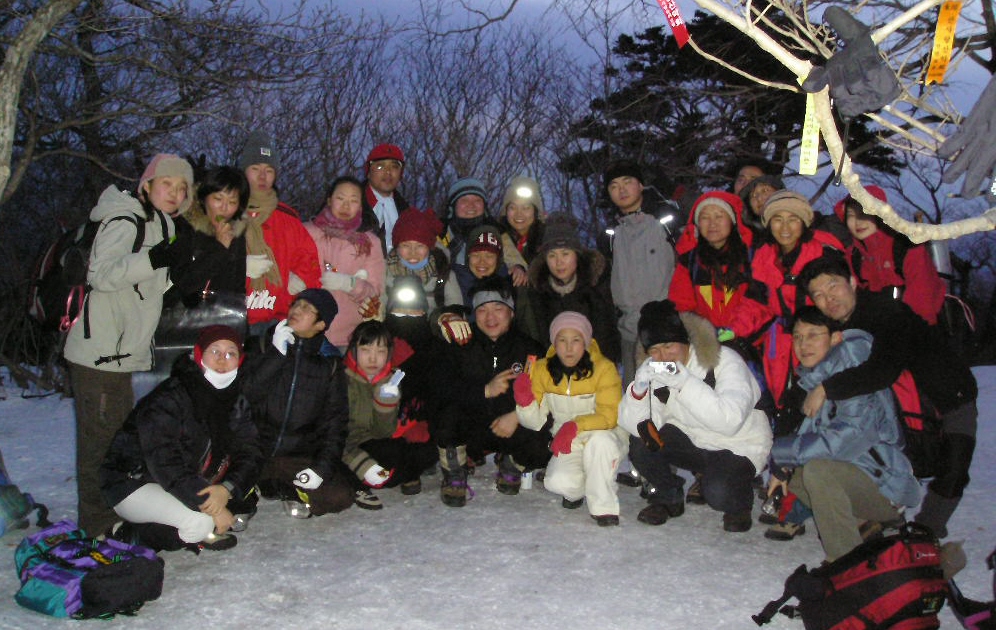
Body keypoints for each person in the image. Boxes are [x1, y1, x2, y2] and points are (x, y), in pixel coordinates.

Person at [799, 253, 978, 539]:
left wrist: (825, 388)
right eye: (818, 294)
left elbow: (882, 369)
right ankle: (877, 513)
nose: (828, 298)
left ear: (852, 283)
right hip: (899, 407)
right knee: (871, 449)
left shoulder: (885, 313)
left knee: (954, 467)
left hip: (949, 395)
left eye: (833, 286)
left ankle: (927, 531)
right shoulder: (833, 329)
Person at [64, 153, 193, 537]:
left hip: (119, 356)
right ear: (147, 185)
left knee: (114, 438)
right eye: (166, 183)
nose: (174, 193)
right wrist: (155, 259)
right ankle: (97, 524)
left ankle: (113, 513)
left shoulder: (163, 225)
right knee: (99, 445)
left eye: (182, 187)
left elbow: (145, 288)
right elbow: (101, 275)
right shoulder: (125, 219)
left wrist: (178, 284)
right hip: (98, 354)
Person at [770, 307, 920, 561]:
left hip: (886, 486)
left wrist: (779, 454)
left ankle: (846, 563)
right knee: (798, 477)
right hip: (860, 476)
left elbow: (847, 437)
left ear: (836, 338)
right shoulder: (815, 378)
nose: (803, 344)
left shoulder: (853, 371)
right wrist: (783, 465)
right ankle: (864, 523)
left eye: (813, 335)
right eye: (797, 336)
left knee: (818, 472)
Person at [100, 325, 262, 552]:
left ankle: (185, 521)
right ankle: (130, 534)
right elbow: (164, 462)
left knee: (244, 495)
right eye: (215, 351)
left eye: (231, 353)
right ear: (198, 354)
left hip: (187, 480)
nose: (222, 359)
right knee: (200, 523)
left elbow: (250, 450)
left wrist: (225, 489)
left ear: (240, 360)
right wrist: (211, 506)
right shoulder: (170, 397)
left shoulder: (235, 398)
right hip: (135, 482)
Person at [618, 300, 772, 532]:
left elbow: (729, 421)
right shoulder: (657, 370)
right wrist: (638, 392)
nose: (663, 356)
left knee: (717, 493)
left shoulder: (723, 360)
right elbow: (639, 425)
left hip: (738, 444)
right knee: (642, 441)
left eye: (669, 345)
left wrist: (685, 383)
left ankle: (739, 503)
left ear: (685, 341)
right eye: (654, 350)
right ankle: (668, 496)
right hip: (694, 440)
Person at [242, 288, 354, 519]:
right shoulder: (262, 344)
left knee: (340, 496)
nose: (297, 310)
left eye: (307, 308)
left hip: (295, 455)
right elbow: (245, 395)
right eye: (296, 304)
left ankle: (279, 484)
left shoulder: (329, 364)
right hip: (253, 450)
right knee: (217, 494)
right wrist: (275, 355)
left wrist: (321, 469)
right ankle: (255, 486)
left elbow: (335, 424)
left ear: (321, 324)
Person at [438, 277, 550, 506]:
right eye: (482, 310)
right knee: (445, 412)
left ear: (511, 312)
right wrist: (484, 390)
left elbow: (546, 394)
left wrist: (517, 416)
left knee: (542, 432)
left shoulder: (529, 348)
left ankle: (512, 462)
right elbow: (442, 389)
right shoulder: (461, 345)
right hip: (473, 426)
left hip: (511, 427)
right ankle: (455, 470)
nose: (490, 317)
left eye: (498, 308)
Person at [513, 311, 624, 526]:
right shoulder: (542, 369)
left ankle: (604, 507)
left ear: (586, 342)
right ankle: (582, 488)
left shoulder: (604, 368)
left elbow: (610, 416)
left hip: (604, 434)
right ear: (554, 343)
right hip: (567, 440)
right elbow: (534, 423)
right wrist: (524, 401)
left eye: (576, 340)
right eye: (562, 340)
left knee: (599, 445)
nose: (569, 348)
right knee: (555, 482)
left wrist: (576, 425)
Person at [750, 190, 843, 411]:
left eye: (793, 219)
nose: (785, 227)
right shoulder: (764, 256)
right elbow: (756, 303)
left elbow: (840, 303)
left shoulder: (823, 253)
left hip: (817, 339)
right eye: (777, 219)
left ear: (804, 223)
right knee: (784, 400)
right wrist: (733, 331)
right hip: (779, 341)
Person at [341, 320, 437, 509]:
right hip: (345, 448)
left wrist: (385, 403)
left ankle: (375, 477)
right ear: (353, 350)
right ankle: (357, 482)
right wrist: (362, 464)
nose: (373, 359)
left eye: (380, 351)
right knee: (384, 459)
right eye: (366, 350)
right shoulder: (341, 380)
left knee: (424, 451)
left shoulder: (391, 380)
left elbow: (383, 432)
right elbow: (333, 435)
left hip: (374, 443)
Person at [239, 130, 321, 336]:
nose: (262, 176)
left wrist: (299, 287)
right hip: (233, 318)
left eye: (269, 170)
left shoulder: (288, 220)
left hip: (276, 320)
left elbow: (309, 265)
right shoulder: (226, 211)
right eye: (255, 168)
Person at [604, 160, 676, 386]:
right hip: (629, 331)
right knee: (635, 393)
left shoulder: (667, 219)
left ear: (641, 185)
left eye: (627, 182)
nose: (621, 190)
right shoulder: (611, 233)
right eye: (614, 186)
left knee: (669, 392)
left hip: (666, 330)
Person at [834, 185, 945, 325]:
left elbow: (923, 302)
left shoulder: (906, 247)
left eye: (865, 213)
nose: (858, 221)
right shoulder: (853, 256)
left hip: (918, 328)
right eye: (851, 215)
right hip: (877, 329)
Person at [305, 175, 385, 353]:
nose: (346, 206)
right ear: (329, 200)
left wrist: (350, 284)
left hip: (349, 336)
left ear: (361, 206)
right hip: (307, 330)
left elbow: (375, 291)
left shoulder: (370, 242)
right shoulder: (306, 232)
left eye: (353, 201)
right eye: (340, 198)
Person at [526, 212, 620, 363]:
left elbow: (607, 336)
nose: (559, 262)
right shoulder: (538, 291)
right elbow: (540, 339)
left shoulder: (597, 286)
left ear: (576, 254)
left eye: (565, 254)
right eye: (552, 255)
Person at [384, 206, 469, 345]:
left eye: (420, 246)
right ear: (397, 246)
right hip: (392, 339)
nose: (413, 253)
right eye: (406, 245)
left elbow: (456, 306)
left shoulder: (443, 272)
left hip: (432, 338)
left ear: (429, 247)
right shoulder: (384, 271)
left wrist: (448, 319)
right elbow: (378, 308)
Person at [496, 176, 546, 287]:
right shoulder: (495, 238)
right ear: (505, 211)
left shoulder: (548, 240)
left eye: (526, 208)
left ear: (535, 212)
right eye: (513, 208)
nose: (519, 214)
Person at [360, 143, 409, 252]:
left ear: (401, 174)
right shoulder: (348, 205)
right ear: (369, 172)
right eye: (380, 166)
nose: (388, 172)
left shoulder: (408, 214)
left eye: (394, 167)